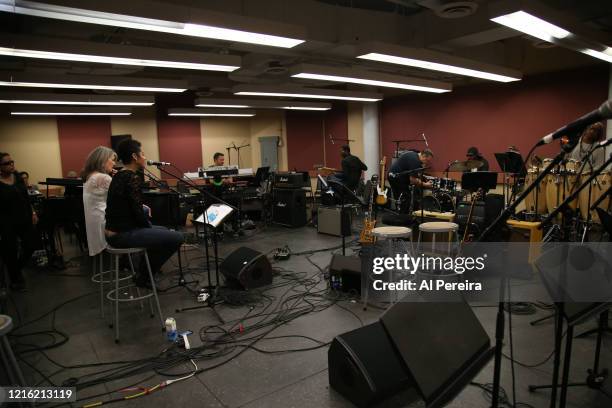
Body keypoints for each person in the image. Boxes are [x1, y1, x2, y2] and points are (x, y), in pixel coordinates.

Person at [105, 139, 183, 287]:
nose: (145, 157)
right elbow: (138, 213)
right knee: (177, 237)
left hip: (114, 232)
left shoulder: (120, 175)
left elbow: (133, 209)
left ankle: (144, 272)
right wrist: (148, 227)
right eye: (143, 154)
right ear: (135, 156)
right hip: (121, 235)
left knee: (164, 231)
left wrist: (150, 228)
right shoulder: (131, 177)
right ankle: (144, 275)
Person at [0, 153, 37, 291]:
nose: (11, 165)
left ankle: (17, 269)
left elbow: (26, 197)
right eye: (6, 163)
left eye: (11, 162)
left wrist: (32, 212)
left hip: (24, 217)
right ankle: (15, 280)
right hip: (6, 222)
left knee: (31, 245)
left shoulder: (18, 177)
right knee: (10, 251)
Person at [82, 146, 117, 257]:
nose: (114, 163)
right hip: (105, 225)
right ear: (103, 160)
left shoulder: (89, 177)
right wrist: (118, 179)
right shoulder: (103, 178)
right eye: (112, 159)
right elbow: (121, 199)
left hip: (94, 225)